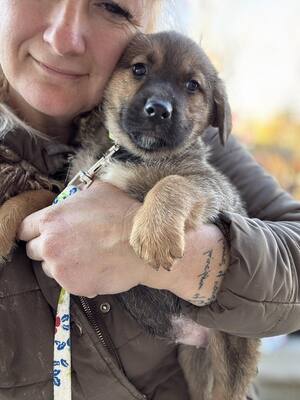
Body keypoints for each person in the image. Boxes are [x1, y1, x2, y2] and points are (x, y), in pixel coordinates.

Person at [0, 1, 299, 399]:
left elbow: (215, 194)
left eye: (111, 6)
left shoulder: (191, 144)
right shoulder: (101, 137)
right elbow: (61, 203)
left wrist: (191, 263)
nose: (63, 38)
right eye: (140, 70)